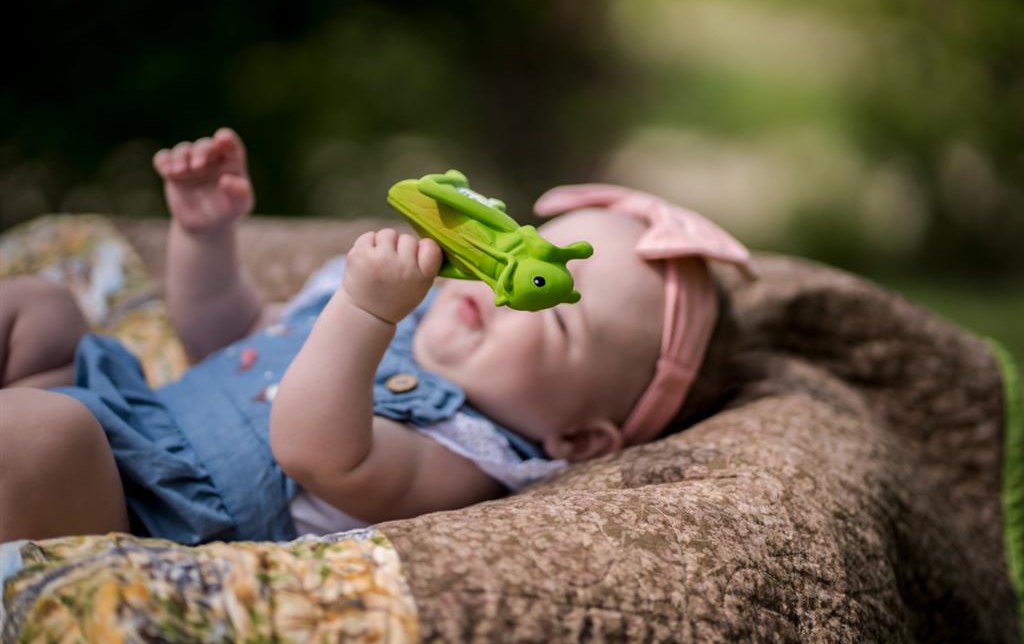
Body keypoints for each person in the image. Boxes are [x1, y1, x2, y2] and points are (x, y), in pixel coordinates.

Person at [0, 128, 752, 544]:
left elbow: (312, 447)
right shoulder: (403, 305)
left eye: (549, 309)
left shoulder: (463, 453)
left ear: (580, 438)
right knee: (40, 308)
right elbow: (221, 335)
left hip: (138, 507)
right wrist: (206, 236)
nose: (496, 291)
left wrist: (365, 313)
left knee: (46, 434)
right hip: (131, 415)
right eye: (514, 251)